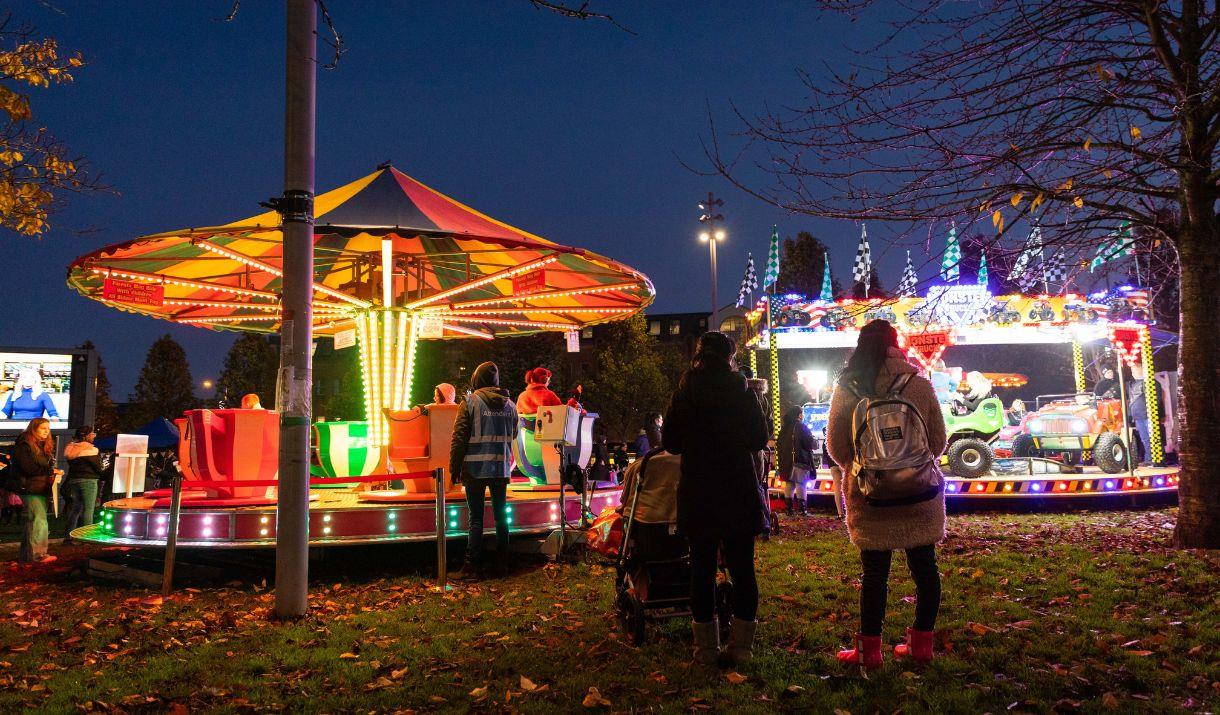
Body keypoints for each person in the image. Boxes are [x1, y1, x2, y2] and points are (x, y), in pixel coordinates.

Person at [826, 320, 947, 670]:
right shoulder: (918, 384)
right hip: (919, 493)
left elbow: (836, 447)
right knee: (925, 569)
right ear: (897, 344)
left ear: (861, 346)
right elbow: (938, 441)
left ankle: (869, 652)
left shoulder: (848, 387)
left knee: (874, 574)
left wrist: (867, 468)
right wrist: (910, 466)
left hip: (870, 495)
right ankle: (921, 645)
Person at [663, 331, 769, 668]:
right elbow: (758, 439)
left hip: (699, 489)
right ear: (730, 357)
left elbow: (671, 444)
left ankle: (705, 650)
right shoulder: (741, 391)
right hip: (737, 486)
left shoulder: (685, 392)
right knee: (742, 568)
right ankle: (742, 647)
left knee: (702, 569)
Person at [450, 362, 519, 581]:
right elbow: (514, 434)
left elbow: (459, 437)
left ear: (476, 379)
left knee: (476, 519)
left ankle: (472, 568)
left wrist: (454, 467)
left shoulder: (470, 402)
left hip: (475, 468)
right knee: (501, 518)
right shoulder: (511, 405)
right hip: (500, 468)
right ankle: (503, 566)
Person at [10, 417, 63, 563]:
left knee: (33, 521)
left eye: (48, 428)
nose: (47, 431)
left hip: (39, 487)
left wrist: (51, 471)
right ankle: (38, 555)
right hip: (29, 487)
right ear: (34, 429)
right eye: (43, 428)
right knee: (39, 520)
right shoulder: (25, 444)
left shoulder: (41, 445)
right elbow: (27, 467)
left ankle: (27, 556)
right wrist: (50, 470)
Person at [62, 425, 104, 543]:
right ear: (85, 436)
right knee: (88, 509)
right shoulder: (91, 450)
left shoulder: (71, 449)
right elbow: (98, 468)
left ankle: (68, 536)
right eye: (92, 434)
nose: (94, 436)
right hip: (89, 481)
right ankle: (86, 538)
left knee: (75, 509)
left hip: (74, 480)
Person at [776, 406, 815, 517]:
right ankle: (802, 510)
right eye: (801, 413)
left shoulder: (784, 429)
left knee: (789, 483)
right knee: (801, 483)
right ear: (798, 415)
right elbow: (809, 443)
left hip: (786, 461)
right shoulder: (801, 427)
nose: (802, 415)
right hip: (799, 460)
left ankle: (789, 510)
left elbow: (778, 444)